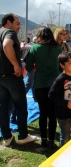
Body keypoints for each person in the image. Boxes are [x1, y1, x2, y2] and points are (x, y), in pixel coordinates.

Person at [0, 13, 37, 146]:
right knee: (21, 106)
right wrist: (16, 64)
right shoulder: (9, 33)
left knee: (3, 107)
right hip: (12, 76)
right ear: (8, 23)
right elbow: (6, 45)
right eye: (17, 23)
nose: (19, 27)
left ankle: (7, 137)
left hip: (1, 77)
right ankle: (23, 135)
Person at [26, 26, 62, 148]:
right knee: (52, 114)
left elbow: (28, 67)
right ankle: (51, 139)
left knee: (42, 112)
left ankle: (43, 139)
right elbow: (61, 66)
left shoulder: (34, 48)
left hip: (40, 83)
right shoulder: (58, 48)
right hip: (55, 84)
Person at [48, 52, 71, 146]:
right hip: (64, 115)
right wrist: (65, 103)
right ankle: (63, 156)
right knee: (65, 139)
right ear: (62, 65)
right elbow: (51, 95)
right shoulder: (60, 79)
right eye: (69, 63)